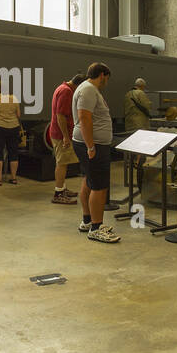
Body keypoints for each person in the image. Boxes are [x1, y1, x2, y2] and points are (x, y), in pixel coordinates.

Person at [74, 62, 119, 242]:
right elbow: (84, 118)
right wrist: (91, 146)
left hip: (91, 143)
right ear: (102, 75)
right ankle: (96, 227)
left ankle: (88, 221)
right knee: (100, 186)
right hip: (94, 145)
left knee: (89, 181)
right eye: (106, 79)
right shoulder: (89, 89)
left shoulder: (86, 88)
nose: (106, 82)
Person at [47, 71, 82, 205]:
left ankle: (63, 188)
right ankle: (58, 193)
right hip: (61, 135)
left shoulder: (61, 87)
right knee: (62, 163)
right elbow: (60, 116)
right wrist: (66, 137)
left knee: (63, 162)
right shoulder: (67, 92)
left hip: (58, 133)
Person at [0, 85, 23, 187]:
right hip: (14, 127)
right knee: (13, 153)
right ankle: (13, 178)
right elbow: (18, 115)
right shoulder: (14, 98)